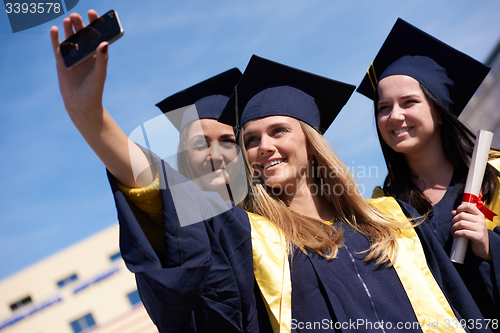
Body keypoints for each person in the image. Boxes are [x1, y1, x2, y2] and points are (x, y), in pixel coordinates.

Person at [51, 11, 492, 333]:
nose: (264, 147)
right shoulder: (253, 240)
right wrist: (92, 117)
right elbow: (165, 188)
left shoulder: (395, 219)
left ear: (310, 141)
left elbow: (471, 307)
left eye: (278, 130)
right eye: (250, 140)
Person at [357, 18, 500, 322]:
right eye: (383, 107)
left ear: (438, 110)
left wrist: (490, 246)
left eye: (409, 102)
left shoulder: (495, 176)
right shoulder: (382, 207)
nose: (395, 116)